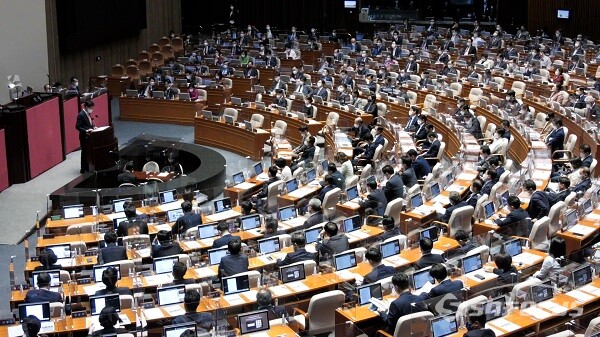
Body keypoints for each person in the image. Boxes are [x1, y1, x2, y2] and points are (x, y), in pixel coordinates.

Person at [75, 100, 96, 173]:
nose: (92, 109)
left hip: (89, 136)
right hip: (84, 137)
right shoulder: (81, 115)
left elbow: (88, 124)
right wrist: (86, 131)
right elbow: (77, 126)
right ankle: (83, 169)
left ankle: (88, 167)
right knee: (84, 152)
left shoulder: (88, 113)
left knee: (88, 151)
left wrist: (93, 127)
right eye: (91, 107)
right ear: (86, 107)